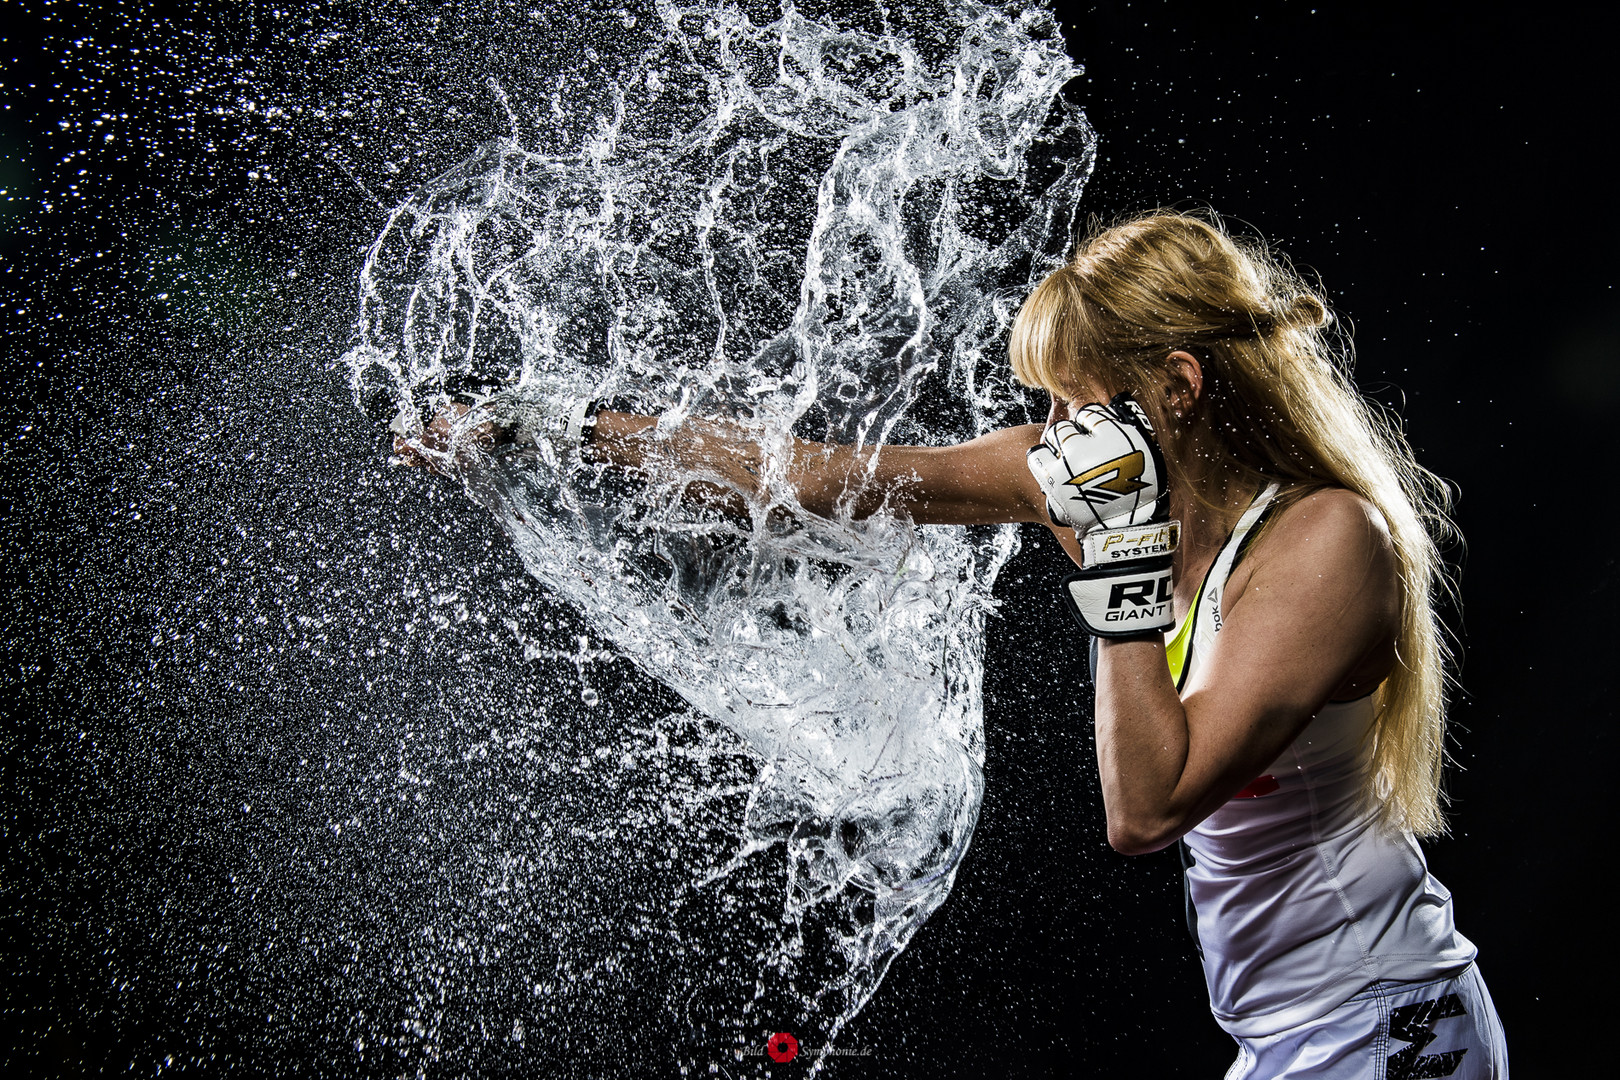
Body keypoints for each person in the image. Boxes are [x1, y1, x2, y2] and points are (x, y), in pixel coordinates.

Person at [396, 209, 1507, 1077]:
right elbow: (818, 483)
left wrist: (1120, 551)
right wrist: (553, 432)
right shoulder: (1093, 472)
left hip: (1390, 1026)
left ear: (1176, 388)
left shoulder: (1325, 542)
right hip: (1281, 1035)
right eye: (1051, 411)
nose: (1062, 441)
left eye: (1084, 406)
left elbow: (1148, 806)